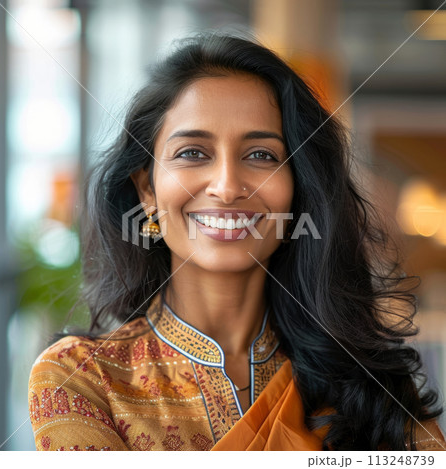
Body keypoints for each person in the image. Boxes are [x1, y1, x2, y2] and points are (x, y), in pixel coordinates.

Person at [28, 33, 445, 451]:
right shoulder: (81, 378)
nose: (227, 187)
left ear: (299, 190)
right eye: (192, 153)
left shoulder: (372, 379)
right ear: (147, 192)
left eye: (261, 155)